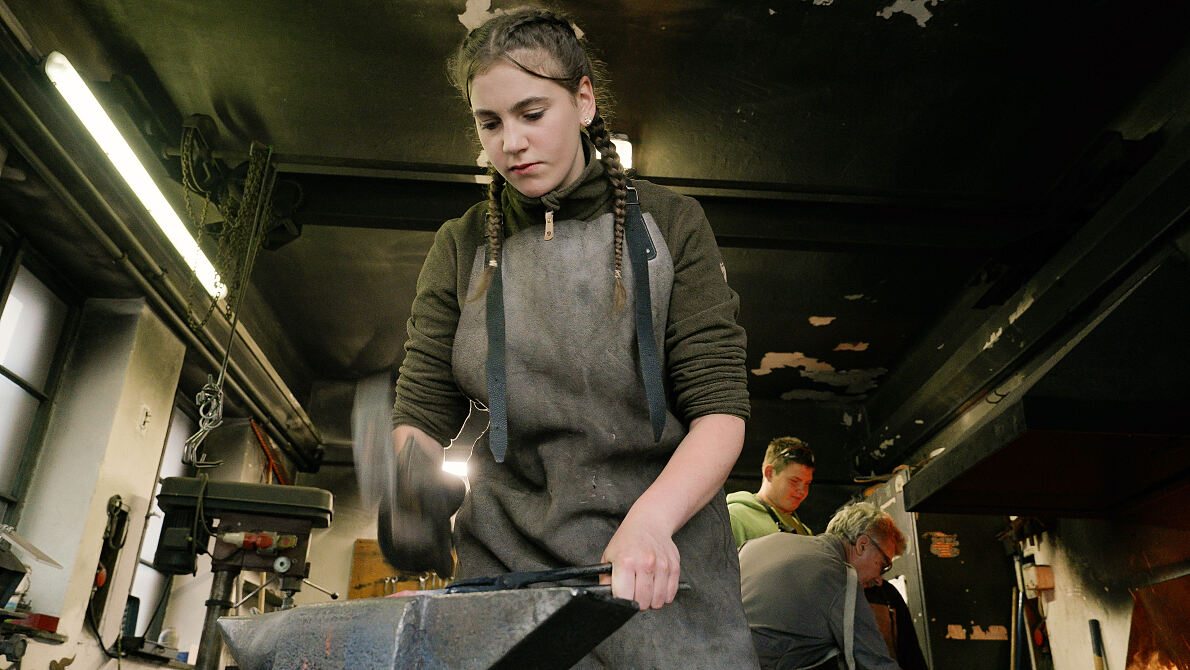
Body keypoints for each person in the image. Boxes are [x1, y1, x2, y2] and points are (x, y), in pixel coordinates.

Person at [384, 8, 758, 668]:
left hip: (660, 564)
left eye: (532, 113)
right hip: (506, 573)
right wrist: (410, 487)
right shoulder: (461, 245)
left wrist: (651, 523)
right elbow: (422, 409)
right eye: (490, 123)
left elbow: (720, 411)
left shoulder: (672, 224)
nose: (511, 143)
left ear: (583, 100)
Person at [738, 501, 907, 670]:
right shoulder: (842, 577)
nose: (879, 580)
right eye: (884, 565)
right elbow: (876, 663)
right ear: (862, 545)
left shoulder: (755, 545)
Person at [727, 436, 814, 546]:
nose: (802, 491)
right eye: (794, 481)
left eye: (807, 483)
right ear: (769, 473)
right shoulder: (735, 517)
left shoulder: (804, 531)